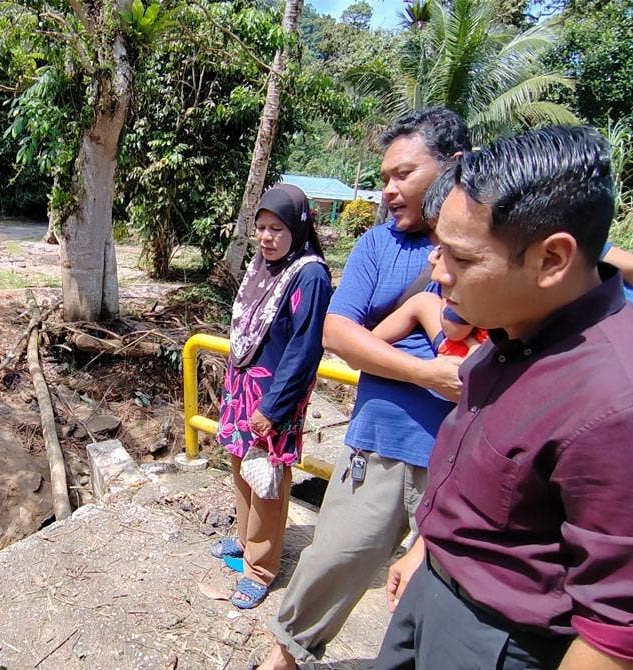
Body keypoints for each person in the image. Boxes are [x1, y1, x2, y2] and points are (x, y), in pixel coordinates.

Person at [375, 125, 633, 669]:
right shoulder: (508, 333)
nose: (436, 271)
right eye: (437, 247)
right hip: (433, 590)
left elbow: (614, 632)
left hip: (496, 639)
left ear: (552, 260)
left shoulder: (613, 402)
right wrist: (426, 550)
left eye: (461, 259)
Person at [255, 108, 469, 670]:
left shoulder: (499, 244)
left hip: (464, 456)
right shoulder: (379, 245)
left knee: (446, 595)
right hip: (378, 441)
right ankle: (284, 657)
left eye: (404, 174)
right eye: (386, 177)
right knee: (331, 559)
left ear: (455, 168)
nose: (389, 189)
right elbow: (336, 333)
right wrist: (428, 374)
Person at [211, 184, 331, 610]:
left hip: (272, 398)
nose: (266, 237)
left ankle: (260, 568)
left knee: (268, 481)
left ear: (297, 228)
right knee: (243, 469)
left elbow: (304, 348)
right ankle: (245, 541)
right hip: (243, 389)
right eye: (260, 228)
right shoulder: (263, 265)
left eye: (276, 228)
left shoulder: (309, 275)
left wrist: (273, 408)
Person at [372, 168, 488, 359]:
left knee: (422, 302)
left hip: (463, 356)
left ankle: (369, 345)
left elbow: (453, 330)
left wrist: (446, 286)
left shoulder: (480, 287)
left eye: (456, 252)